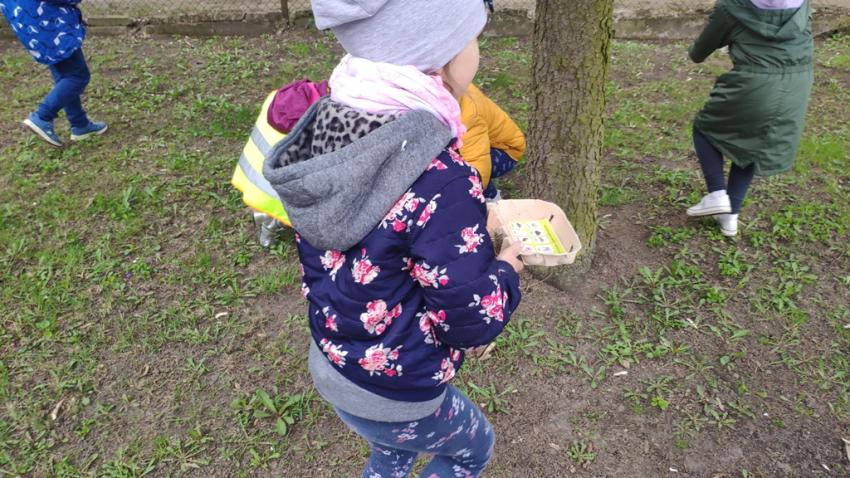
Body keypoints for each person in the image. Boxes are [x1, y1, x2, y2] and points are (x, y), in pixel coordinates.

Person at [262, 1, 524, 476]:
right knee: (471, 451)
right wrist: (506, 268)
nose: (477, 48)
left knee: (391, 455)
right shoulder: (443, 177)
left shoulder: (328, 122)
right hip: (400, 392)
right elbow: (470, 321)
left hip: (334, 360)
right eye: (473, 36)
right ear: (442, 54)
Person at [685, 0, 813, 237]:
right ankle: (730, 215)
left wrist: (696, 49)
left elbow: (699, 53)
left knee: (704, 128)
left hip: (755, 84)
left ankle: (717, 194)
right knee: (756, 143)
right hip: (797, 85)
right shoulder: (802, 4)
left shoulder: (732, 6)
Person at [0, 0, 107, 147]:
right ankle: (42, 116)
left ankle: (80, 124)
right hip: (51, 23)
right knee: (77, 76)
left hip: (31, 25)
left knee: (65, 76)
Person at [460, 83, 526, 201]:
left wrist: (473, 192)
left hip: (505, 150)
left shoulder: (467, 117)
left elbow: (478, 163)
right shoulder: (456, 84)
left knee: (463, 170)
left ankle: (492, 199)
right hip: (480, 143)